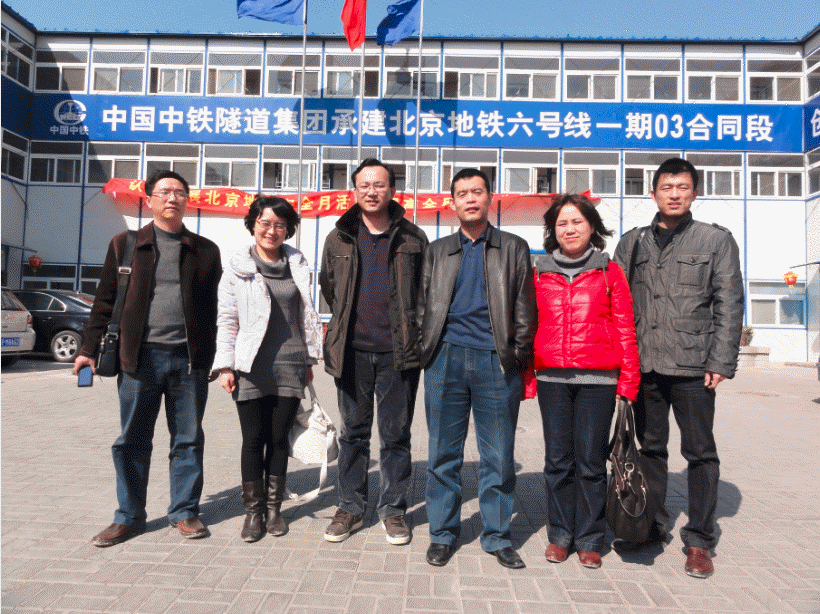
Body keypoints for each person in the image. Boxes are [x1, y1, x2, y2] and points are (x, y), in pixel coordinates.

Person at [75, 170, 222, 546]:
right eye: (165, 192)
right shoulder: (125, 244)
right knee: (132, 441)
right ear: (150, 198)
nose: (172, 198)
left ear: (187, 200)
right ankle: (128, 517)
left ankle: (184, 511)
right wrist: (87, 350)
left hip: (188, 361)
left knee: (188, 439)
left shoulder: (205, 250)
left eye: (180, 192)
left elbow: (216, 308)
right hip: (138, 360)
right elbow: (104, 301)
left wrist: (216, 356)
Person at [614, 157, 744, 579]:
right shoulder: (632, 243)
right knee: (650, 449)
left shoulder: (715, 241)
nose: (674, 194)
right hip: (645, 366)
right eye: (667, 187)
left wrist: (721, 360)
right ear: (653, 193)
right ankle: (650, 524)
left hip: (693, 367)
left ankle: (700, 540)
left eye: (682, 187)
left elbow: (729, 303)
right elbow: (617, 304)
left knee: (699, 452)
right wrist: (620, 362)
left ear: (694, 193)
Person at [418, 168, 536, 569]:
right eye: (462, 193)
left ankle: (497, 536)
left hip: (495, 361)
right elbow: (422, 305)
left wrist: (516, 353)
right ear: (452, 202)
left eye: (477, 192)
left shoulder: (513, 247)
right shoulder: (437, 251)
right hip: (445, 358)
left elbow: (525, 306)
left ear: (490, 198)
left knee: (498, 455)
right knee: (443, 452)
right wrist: (427, 350)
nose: (470, 198)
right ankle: (442, 534)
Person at [319, 159, 428, 545]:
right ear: (354, 191)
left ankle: (393, 509)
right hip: (352, 354)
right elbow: (329, 287)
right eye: (364, 185)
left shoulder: (413, 237)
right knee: (353, 434)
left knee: (396, 435)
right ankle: (350, 506)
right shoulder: (338, 237)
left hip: (399, 354)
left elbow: (425, 292)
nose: (371, 191)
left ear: (392, 190)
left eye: (379, 184)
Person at [532, 193, 640, 569]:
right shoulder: (539, 272)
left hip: (598, 381)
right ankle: (560, 534)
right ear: (553, 230)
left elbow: (625, 328)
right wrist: (529, 377)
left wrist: (629, 383)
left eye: (577, 221)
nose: (569, 229)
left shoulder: (610, 272)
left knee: (591, 462)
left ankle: (591, 538)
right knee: (557, 462)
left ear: (591, 227)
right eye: (561, 223)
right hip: (552, 379)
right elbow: (529, 325)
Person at [211, 196, 323, 542]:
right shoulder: (237, 268)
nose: (271, 230)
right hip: (250, 365)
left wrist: (309, 359)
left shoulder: (298, 264)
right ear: (253, 225)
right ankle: (253, 512)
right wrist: (225, 366)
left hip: (290, 362)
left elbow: (305, 316)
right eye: (265, 223)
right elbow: (227, 319)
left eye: (279, 225)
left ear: (288, 229)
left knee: (278, 439)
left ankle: (274, 510)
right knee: (252, 440)